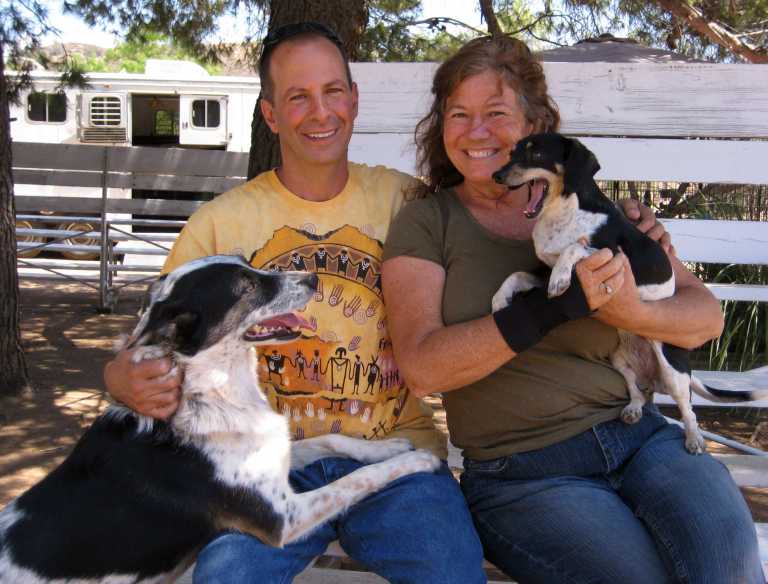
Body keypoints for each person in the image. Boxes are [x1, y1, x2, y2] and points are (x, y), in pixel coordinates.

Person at [103, 22, 487, 584]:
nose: (321, 112)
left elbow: (497, 233)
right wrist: (121, 377)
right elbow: (149, 347)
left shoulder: (409, 203)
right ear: (271, 115)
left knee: (451, 571)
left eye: (334, 91)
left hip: (396, 461)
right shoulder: (221, 225)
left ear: (354, 100)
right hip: (266, 469)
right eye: (298, 97)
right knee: (227, 576)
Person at [382, 36, 762, 584]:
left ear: (538, 127)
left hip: (640, 437)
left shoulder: (592, 210)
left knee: (727, 566)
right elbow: (422, 367)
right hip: (522, 473)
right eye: (458, 114)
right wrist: (551, 309)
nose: (477, 131)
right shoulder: (426, 223)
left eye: (496, 113)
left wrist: (626, 307)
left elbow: (704, 318)